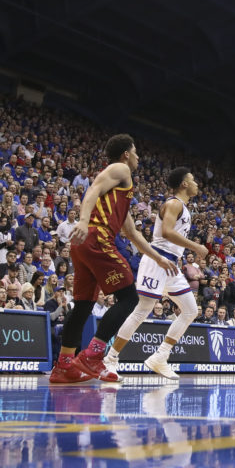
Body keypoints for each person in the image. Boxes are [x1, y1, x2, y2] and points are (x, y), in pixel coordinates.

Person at [52, 134, 176, 384]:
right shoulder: (120, 168)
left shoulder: (120, 194)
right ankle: (93, 355)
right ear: (126, 154)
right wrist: (83, 221)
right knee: (129, 297)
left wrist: (158, 258)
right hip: (96, 237)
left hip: (83, 245)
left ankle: (63, 366)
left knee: (83, 305)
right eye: (136, 152)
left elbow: (132, 234)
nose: (138, 157)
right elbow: (93, 189)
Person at [103, 167, 205, 380]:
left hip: (171, 264)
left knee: (190, 310)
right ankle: (110, 359)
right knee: (142, 310)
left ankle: (160, 356)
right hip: (157, 259)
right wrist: (196, 246)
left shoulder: (184, 207)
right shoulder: (174, 204)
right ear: (184, 184)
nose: (196, 183)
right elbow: (166, 232)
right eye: (193, 179)